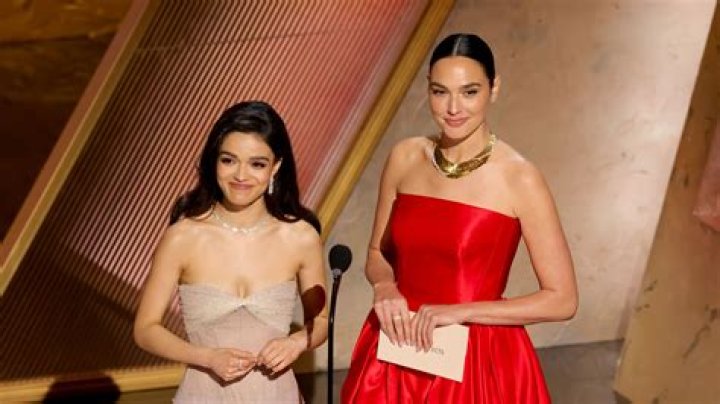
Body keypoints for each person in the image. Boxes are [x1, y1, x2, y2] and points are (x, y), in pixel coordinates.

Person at [341, 33, 578, 403]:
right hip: (397, 349)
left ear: (493, 89)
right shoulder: (405, 157)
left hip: (476, 359)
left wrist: (460, 312)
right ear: (428, 89)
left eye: (469, 92)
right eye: (440, 92)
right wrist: (385, 287)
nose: (453, 107)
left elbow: (562, 300)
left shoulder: (520, 178)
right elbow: (378, 253)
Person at [134, 101, 328, 403]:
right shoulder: (183, 237)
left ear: (276, 166)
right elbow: (145, 330)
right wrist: (207, 357)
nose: (241, 175)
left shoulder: (300, 237)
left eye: (257, 164)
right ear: (215, 162)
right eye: (229, 160)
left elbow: (321, 321)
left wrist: (297, 342)